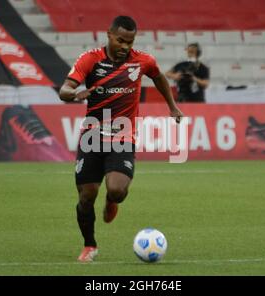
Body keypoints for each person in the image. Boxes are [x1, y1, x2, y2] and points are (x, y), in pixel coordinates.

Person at [59, 16, 183, 262]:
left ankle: (111, 201)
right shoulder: (91, 59)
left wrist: (172, 106)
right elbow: (63, 89)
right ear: (108, 34)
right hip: (92, 136)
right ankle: (90, 245)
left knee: (116, 190)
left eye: (130, 41)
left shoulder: (142, 61)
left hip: (123, 135)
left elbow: (158, 77)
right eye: (120, 40)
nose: (125, 46)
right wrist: (73, 94)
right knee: (86, 197)